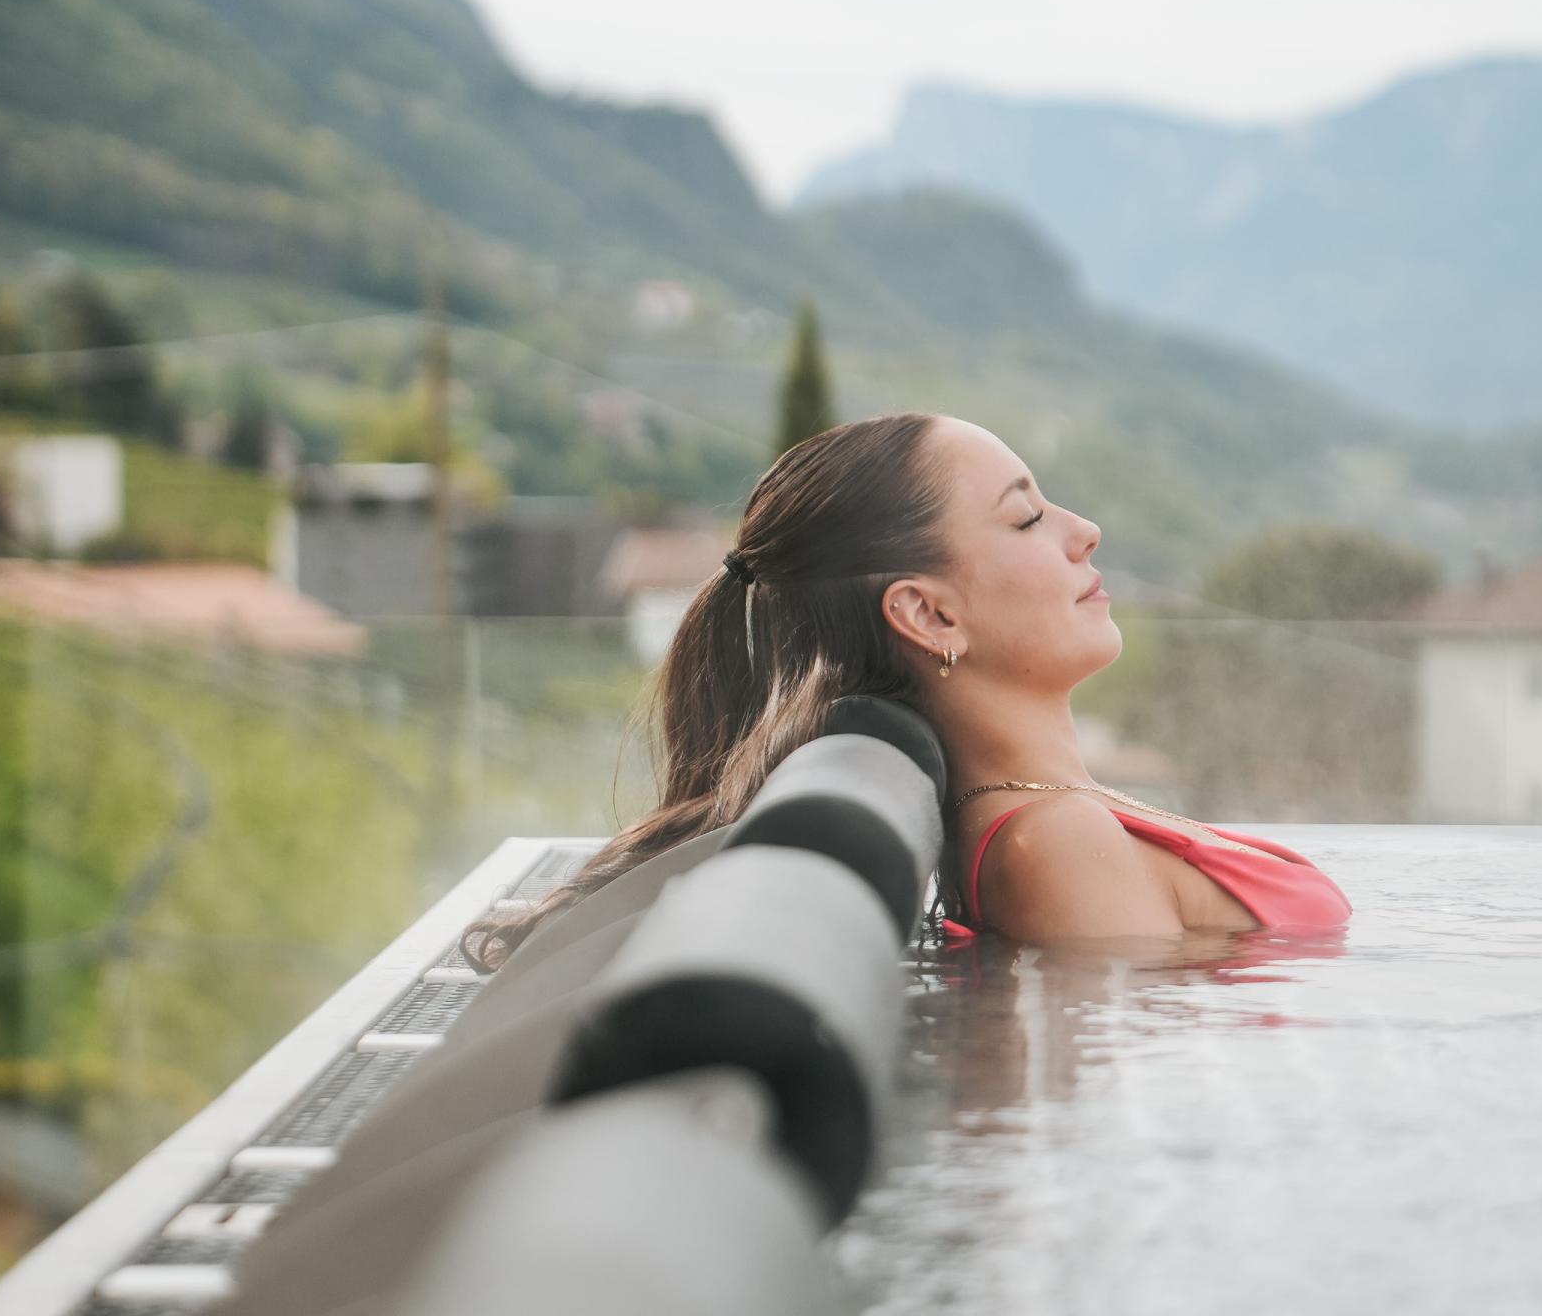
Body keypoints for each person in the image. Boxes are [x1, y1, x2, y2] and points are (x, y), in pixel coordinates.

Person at [461, 411, 1347, 970]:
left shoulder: (1056, 817)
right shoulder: (1054, 849)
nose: (1083, 532)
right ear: (928, 614)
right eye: (1028, 516)